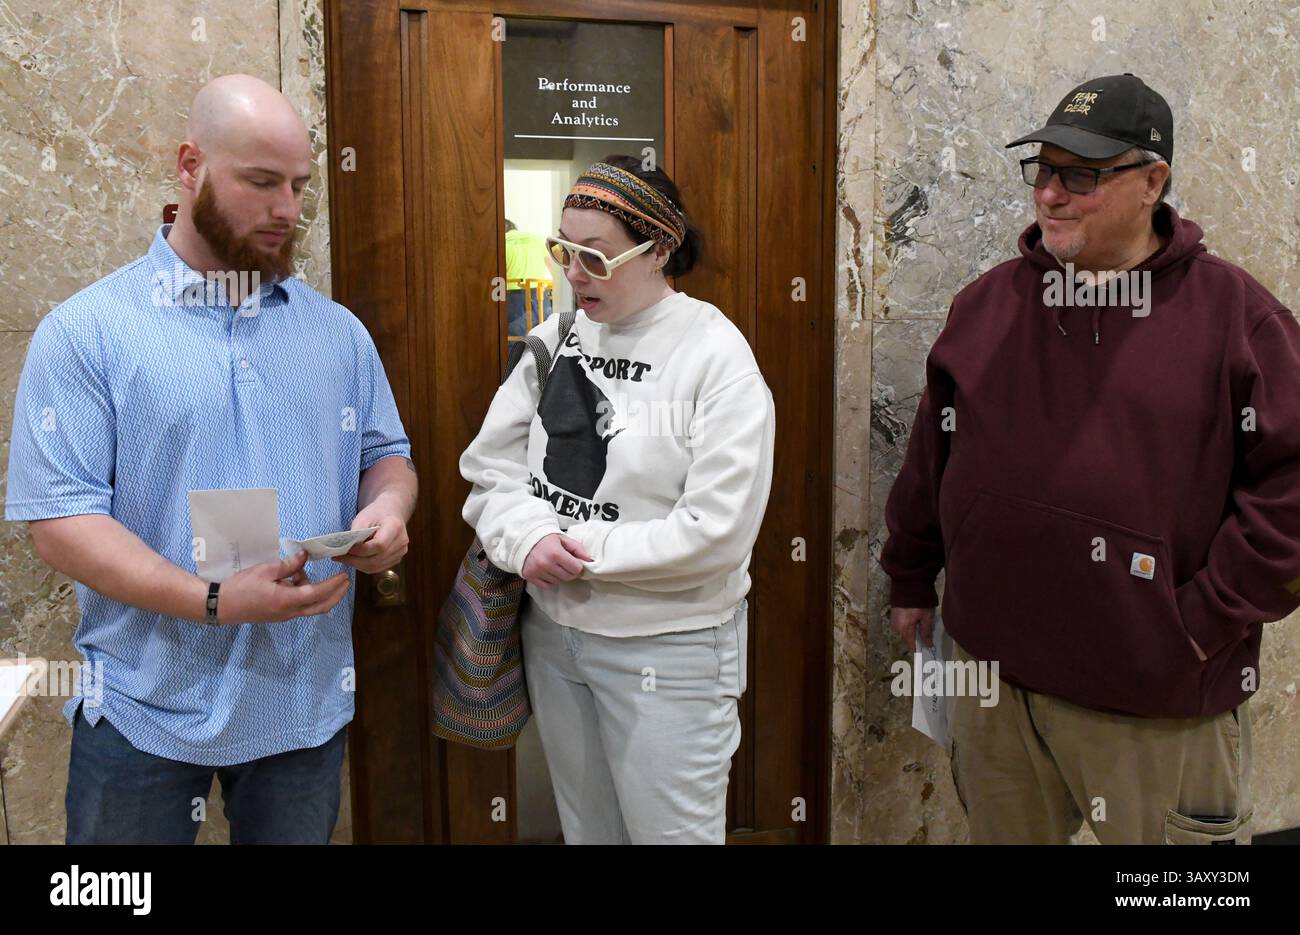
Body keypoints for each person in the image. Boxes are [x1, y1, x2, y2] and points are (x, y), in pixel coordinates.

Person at [881, 74, 1300, 844]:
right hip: (996, 684)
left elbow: (1293, 497)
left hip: (1155, 702)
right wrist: (911, 573)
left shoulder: (1241, 320)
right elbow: (932, 451)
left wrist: (1199, 624)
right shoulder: (985, 306)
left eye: (1081, 174)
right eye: (1042, 170)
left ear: (1153, 181)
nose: (1050, 194)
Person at [4, 74, 416, 844]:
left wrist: (387, 511)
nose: (287, 209)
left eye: (298, 185)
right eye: (261, 182)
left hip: (301, 707)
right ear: (189, 165)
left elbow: (387, 455)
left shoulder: (337, 335)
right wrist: (214, 600)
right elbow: (61, 521)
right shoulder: (89, 331)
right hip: (142, 711)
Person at [460, 156, 775, 844]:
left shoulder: (715, 356)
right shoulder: (555, 338)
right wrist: (528, 540)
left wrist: (574, 550)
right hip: (555, 636)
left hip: (668, 648)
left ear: (660, 249)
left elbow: (716, 531)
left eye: (596, 258)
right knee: (589, 833)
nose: (573, 274)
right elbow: (490, 469)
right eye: (565, 250)